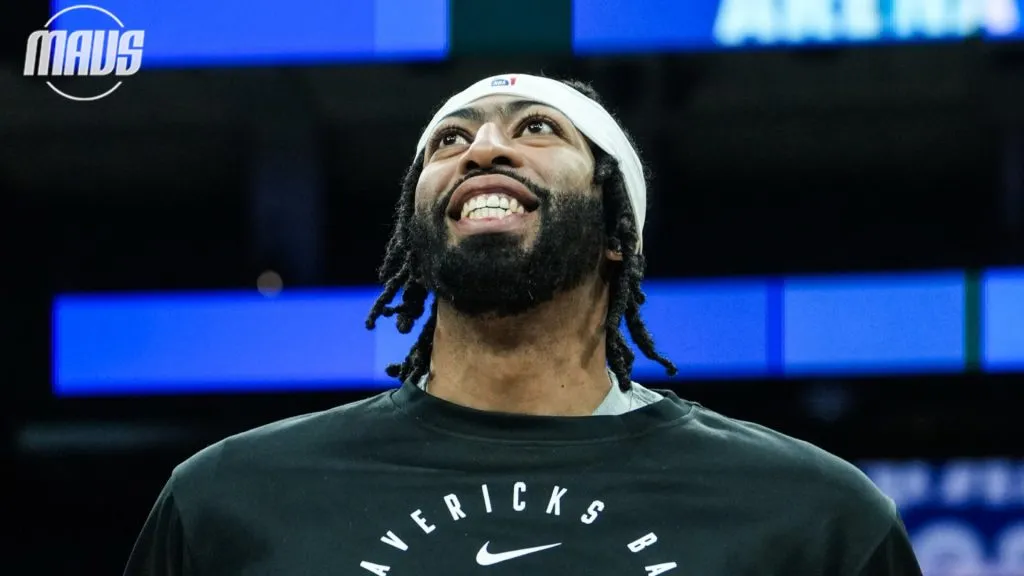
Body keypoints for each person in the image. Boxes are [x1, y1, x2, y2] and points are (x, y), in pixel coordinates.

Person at [124, 73, 923, 575]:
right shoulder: (229, 499)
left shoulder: (813, 516)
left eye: (536, 128)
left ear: (617, 232)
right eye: (451, 139)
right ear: (414, 232)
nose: (482, 149)